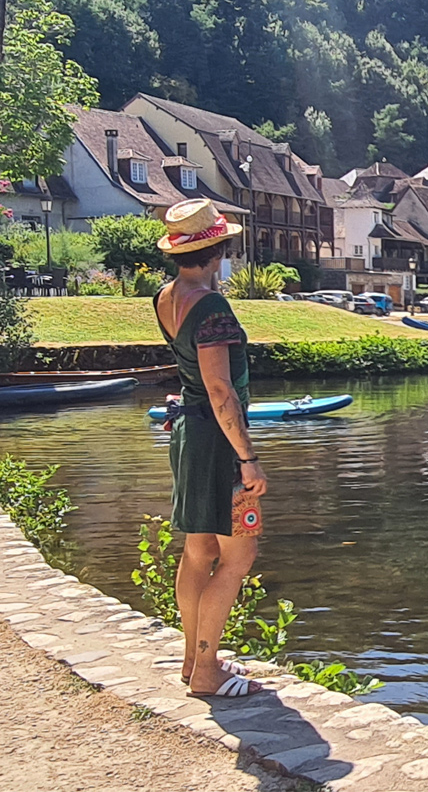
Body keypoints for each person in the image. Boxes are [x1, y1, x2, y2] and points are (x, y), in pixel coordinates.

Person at [152, 199, 268, 698]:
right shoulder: (212, 306)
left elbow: (195, 379)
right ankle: (206, 673)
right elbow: (221, 391)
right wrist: (247, 457)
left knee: (198, 552)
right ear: (219, 247)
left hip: (188, 436)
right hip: (219, 443)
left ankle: (192, 660)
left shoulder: (166, 296)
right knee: (238, 559)